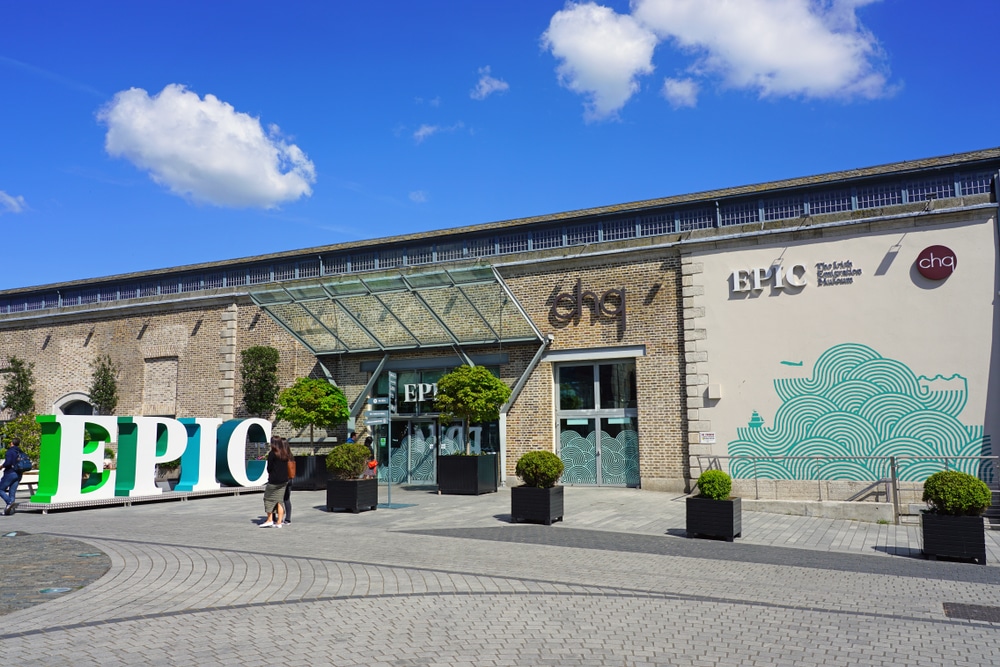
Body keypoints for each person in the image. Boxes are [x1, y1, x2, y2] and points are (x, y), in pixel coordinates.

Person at [260, 436, 289, 528]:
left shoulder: (272, 454)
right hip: (284, 480)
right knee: (279, 501)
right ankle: (279, 522)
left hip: (274, 481)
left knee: (268, 499)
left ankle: (269, 519)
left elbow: (269, 468)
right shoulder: (284, 453)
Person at [0, 438, 26, 516]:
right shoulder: (20, 451)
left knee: (0, 489)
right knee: (12, 491)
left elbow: (8, 462)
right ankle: (10, 510)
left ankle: (10, 502)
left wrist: (2, 466)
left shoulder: (10, 451)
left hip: (10, 473)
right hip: (19, 474)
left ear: (12, 443)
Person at [281, 438, 294, 524]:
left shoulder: (281, 456)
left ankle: (276, 518)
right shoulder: (290, 455)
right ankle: (288, 518)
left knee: (276, 499)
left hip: (282, 479)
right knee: (286, 499)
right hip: (290, 479)